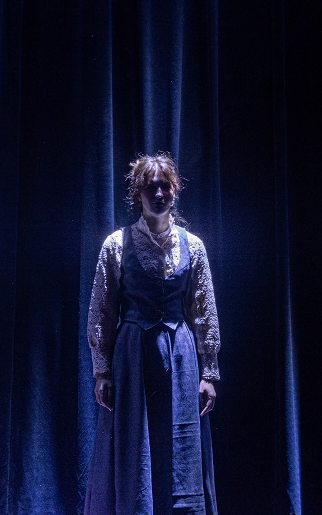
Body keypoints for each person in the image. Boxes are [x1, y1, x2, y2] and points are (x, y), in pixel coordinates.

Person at [85, 153, 220, 515]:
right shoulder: (117, 244)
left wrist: (209, 372)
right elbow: (102, 309)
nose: (158, 193)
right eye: (150, 187)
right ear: (138, 194)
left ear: (175, 191)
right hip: (133, 357)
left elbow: (203, 309)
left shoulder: (194, 246)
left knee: (179, 443)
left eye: (165, 186)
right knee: (135, 444)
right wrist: (102, 371)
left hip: (180, 356)